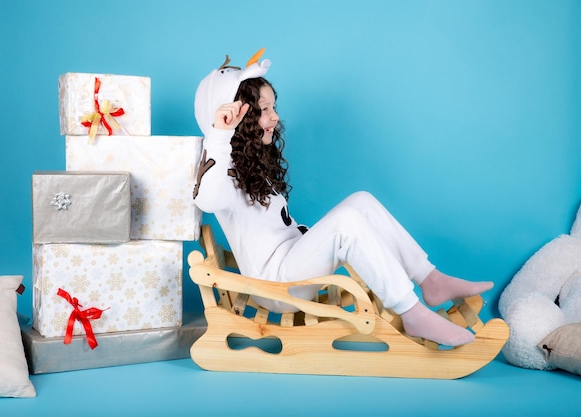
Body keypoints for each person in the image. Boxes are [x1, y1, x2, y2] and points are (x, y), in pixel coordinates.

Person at [193, 51, 493, 346]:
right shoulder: (221, 168)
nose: (275, 116)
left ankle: (431, 279)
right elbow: (206, 200)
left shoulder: (250, 162)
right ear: (237, 117)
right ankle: (410, 311)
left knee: (361, 201)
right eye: (264, 109)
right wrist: (219, 134)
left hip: (293, 261)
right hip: (276, 286)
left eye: (274, 107)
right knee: (346, 223)